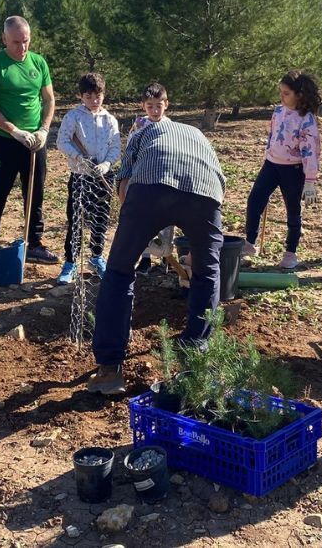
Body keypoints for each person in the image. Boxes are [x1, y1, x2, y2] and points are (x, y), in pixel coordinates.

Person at [86, 109, 227, 395]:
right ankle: (196, 358)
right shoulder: (199, 136)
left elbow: (124, 185)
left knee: (119, 271)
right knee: (208, 273)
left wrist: (134, 232)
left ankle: (110, 370)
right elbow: (218, 190)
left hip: (152, 186)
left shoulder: (143, 133)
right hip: (206, 192)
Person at [0, 16, 59, 264]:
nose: (22, 47)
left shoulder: (38, 62)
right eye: (16, 42)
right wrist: (14, 130)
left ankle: (34, 243)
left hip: (34, 141)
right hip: (6, 141)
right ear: (4, 39)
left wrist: (43, 130)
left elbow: (49, 99)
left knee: (35, 192)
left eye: (26, 41)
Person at [242, 70, 322, 269]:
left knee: (293, 210)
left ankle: (290, 252)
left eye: (286, 93)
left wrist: (310, 180)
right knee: (255, 200)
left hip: (293, 169)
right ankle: (249, 243)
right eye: (281, 92)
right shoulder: (278, 111)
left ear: (299, 95)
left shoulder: (307, 120)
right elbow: (272, 136)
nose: (281, 96)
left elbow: (310, 151)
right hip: (271, 165)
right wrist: (268, 153)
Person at [56, 72, 121, 285]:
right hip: (80, 176)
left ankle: (96, 257)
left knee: (100, 219)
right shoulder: (73, 117)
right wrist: (79, 157)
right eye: (89, 96)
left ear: (104, 95)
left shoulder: (110, 120)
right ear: (81, 96)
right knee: (76, 219)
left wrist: (107, 164)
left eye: (98, 96)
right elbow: (62, 141)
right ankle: (70, 262)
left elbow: (115, 146)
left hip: (102, 176)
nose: (94, 101)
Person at [130, 83, 175, 275]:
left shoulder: (171, 126)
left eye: (159, 106)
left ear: (166, 104)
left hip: (165, 179)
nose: (155, 111)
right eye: (150, 106)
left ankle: (166, 258)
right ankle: (146, 258)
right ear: (143, 106)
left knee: (167, 219)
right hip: (144, 179)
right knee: (144, 220)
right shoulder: (139, 125)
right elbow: (131, 149)